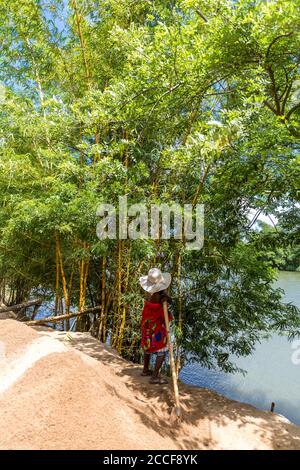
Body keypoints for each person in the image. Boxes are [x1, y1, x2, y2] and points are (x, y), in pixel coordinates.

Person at [139, 268, 173, 384]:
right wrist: (166, 298)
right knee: (162, 349)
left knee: (147, 345)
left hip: (147, 324)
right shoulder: (160, 295)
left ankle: (145, 369)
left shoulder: (148, 292)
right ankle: (154, 377)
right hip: (156, 326)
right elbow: (170, 301)